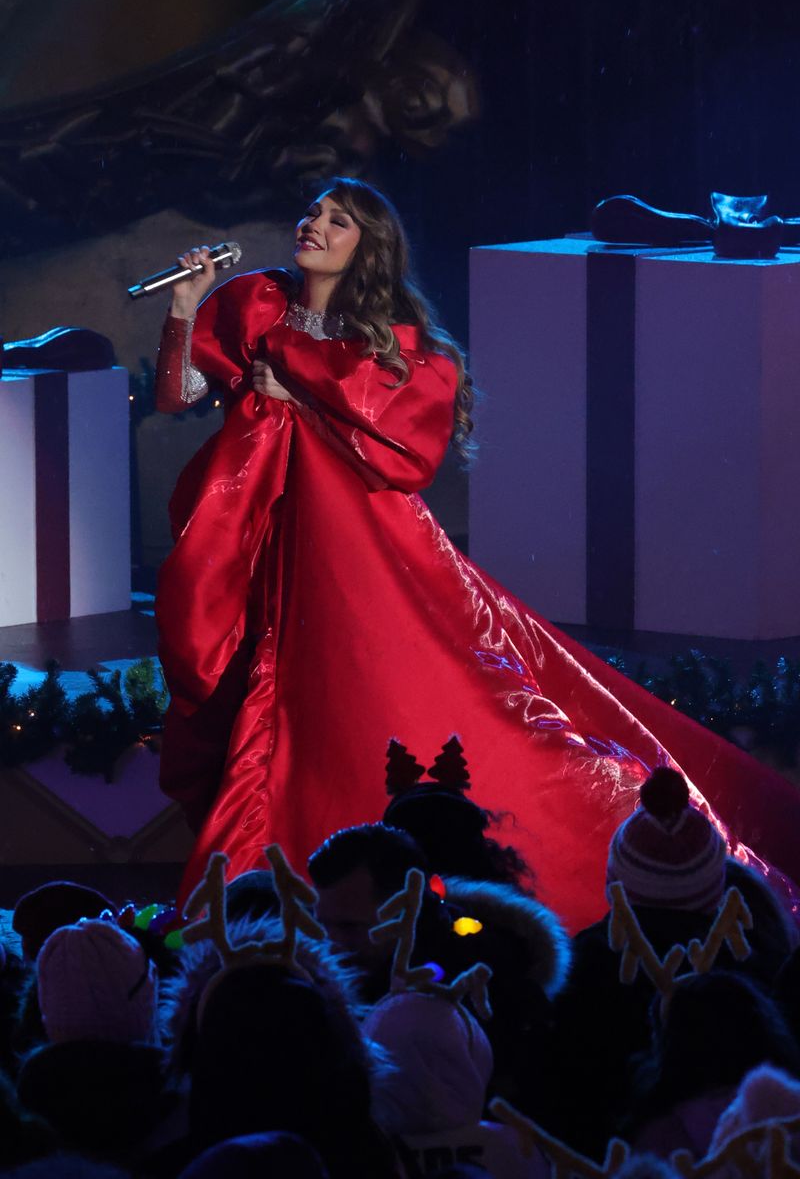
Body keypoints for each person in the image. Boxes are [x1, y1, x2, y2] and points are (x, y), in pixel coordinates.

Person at [154, 177, 800, 931]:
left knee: (436, 697)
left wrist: (300, 387)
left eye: (339, 220)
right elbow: (180, 394)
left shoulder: (396, 346)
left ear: (370, 246)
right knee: (282, 699)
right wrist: (183, 307)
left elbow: (402, 458)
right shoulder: (256, 301)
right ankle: (288, 882)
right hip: (270, 537)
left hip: (370, 553)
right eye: (312, 213)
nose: (314, 226)